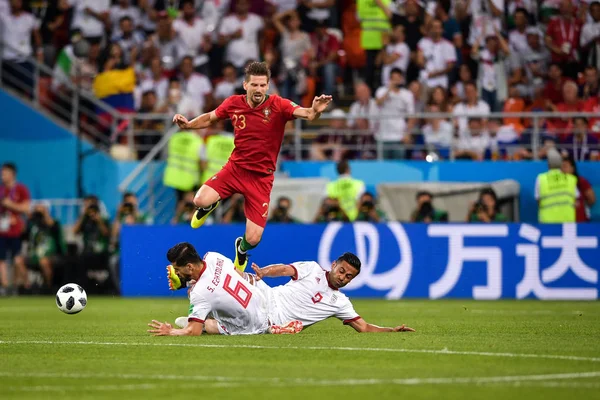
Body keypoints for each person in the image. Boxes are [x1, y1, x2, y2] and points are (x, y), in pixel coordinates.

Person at [172, 61, 332, 280]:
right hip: (236, 168)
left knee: (254, 238)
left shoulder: (278, 104)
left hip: (261, 178)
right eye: (254, 85)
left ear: (268, 86)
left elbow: (306, 114)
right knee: (199, 200)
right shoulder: (233, 103)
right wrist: (189, 125)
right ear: (245, 85)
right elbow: (210, 117)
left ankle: (241, 248)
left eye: (263, 85)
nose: (258, 89)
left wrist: (315, 110)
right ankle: (212, 203)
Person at [158, 243, 415, 335]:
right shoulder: (313, 269)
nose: (344, 277)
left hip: (272, 319)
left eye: (349, 277)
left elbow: (364, 327)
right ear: (334, 264)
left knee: (224, 318)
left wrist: (391, 329)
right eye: (342, 270)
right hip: (267, 295)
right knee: (216, 291)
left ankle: (198, 313)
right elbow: (286, 269)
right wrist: (264, 272)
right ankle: (196, 294)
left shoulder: (340, 303)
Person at [150, 242, 304, 336]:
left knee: (208, 326)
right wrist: (186, 281)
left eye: (177, 269)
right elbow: (232, 276)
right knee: (209, 298)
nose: (176, 272)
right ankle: (270, 322)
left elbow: (193, 332)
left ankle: (268, 328)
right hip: (260, 300)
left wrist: (170, 331)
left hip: (252, 323)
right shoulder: (213, 256)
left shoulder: (199, 292)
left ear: (189, 267)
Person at [0, 162, 31, 295]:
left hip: (16, 231)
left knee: (18, 260)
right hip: (1, 231)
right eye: (2, 173)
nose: (3, 176)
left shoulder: (21, 189)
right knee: (1, 260)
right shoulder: (0, 189)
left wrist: (10, 204)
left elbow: (26, 208)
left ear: (13, 174)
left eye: (5, 173)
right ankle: (6, 287)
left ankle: (25, 285)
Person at [535, 148, 577, 223]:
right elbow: (576, 199)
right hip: (567, 220)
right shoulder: (571, 179)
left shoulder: (541, 178)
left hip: (547, 221)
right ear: (561, 163)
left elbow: (538, 200)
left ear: (548, 164)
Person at [561, 155, 595, 222]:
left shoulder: (581, 181)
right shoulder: (559, 184)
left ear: (572, 168)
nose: (562, 170)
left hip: (581, 221)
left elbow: (592, 199)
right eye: (561, 167)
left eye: (565, 166)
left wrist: (582, 205)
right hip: (565, 221)